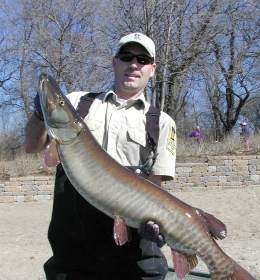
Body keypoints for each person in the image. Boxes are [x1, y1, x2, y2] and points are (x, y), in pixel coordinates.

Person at [24, 33, 176, 280]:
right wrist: (41, 114)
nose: (134, 64)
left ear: (152, 68)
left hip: (134, 256)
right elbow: (31, 146)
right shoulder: (75, 103)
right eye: (126, 57)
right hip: (73, 255)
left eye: (142, 59)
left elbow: (154, 187)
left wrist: (152, 222)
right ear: (114, 62)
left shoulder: (162, 123)